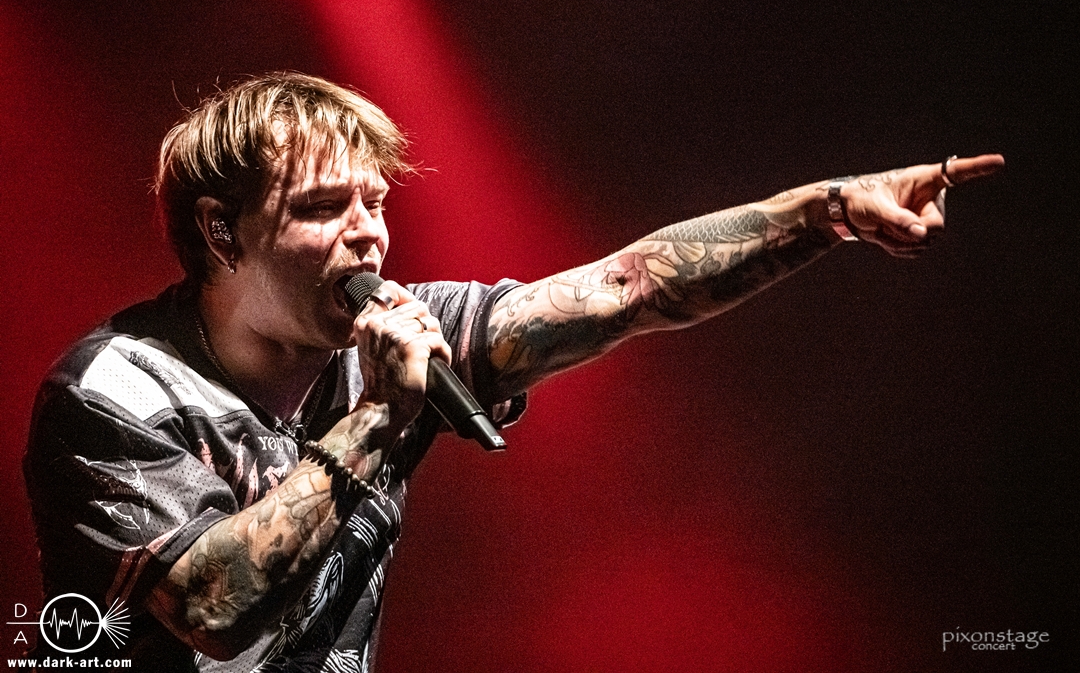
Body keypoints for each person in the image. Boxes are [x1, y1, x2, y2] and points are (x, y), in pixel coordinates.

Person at [23, 72, 1003, 672]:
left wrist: (822, 211)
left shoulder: (408, 328)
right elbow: (210, 610)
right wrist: (380, 419)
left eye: (376, 202)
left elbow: (629, 288)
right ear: (220, 231)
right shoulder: (115, 391)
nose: (368, 233)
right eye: (324, 207)